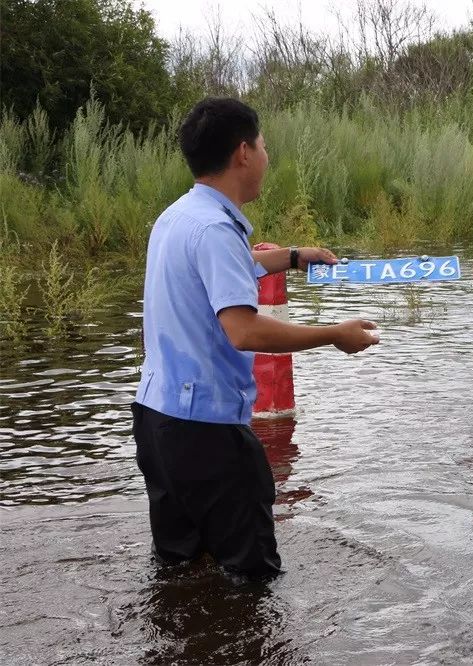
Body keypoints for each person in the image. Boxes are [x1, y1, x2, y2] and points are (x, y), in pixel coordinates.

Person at [132, 97, 380, 578]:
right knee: (253, 577)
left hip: (155, 421)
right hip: (206, 431)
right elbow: (243, 331)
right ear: (243, 152)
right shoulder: (215, 231)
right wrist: (334, 333)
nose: (267, 157)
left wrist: (292, 256)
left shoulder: (177, 217)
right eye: (264, 146)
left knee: (179, 569)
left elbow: (227, 267)